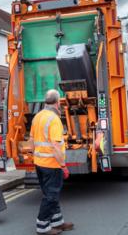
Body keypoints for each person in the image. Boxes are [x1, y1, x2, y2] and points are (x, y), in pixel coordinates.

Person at [30, 89, 74, 235]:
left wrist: (34, 157)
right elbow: (56, 147)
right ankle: (42, 226)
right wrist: (63, 166)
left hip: (40, 163)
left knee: (50, 194)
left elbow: (31, 141)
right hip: (52, 165)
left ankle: (57, 222)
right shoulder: (54, 119)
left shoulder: (38, 116)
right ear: (58, 102)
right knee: (51, 196)